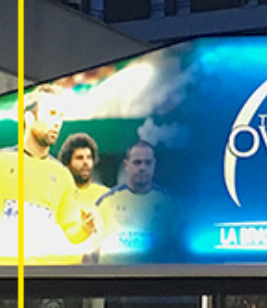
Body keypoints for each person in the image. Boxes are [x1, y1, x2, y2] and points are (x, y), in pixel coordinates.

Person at [0, 85, 100, 263]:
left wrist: (85, 228)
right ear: (29, 118)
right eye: (52, 114)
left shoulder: (62, 175)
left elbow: (71, 231)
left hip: (40, 273)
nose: (57, 123)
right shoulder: (3, 160)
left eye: (60, 116)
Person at [94, 140, 175, 259]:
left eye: (148, 163)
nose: (143, 168)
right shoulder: (106, 202)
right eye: (137, 162)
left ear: (154, 165)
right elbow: (92, 250)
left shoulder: (169, 203)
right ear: (126, 165)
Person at [59, 132, 108, 205]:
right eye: (79, 158)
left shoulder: (105, 195)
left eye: (89, 157)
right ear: (67, 163)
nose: (85, 162)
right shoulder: (58, 194)